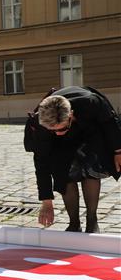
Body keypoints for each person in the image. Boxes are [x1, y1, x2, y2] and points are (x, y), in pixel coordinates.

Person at [30, 87, 121, 233]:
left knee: (91, 170)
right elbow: (42, 162)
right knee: (63, 174)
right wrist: (46, 202)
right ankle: (74, 223)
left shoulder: (91, 103)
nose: (58, 133)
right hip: (59, 145)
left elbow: (110, 124)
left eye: (62, 129)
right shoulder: (39, 125)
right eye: (53, 130)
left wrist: (118, 151)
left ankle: (92, 220)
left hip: (91, 133)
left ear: (71, 115)